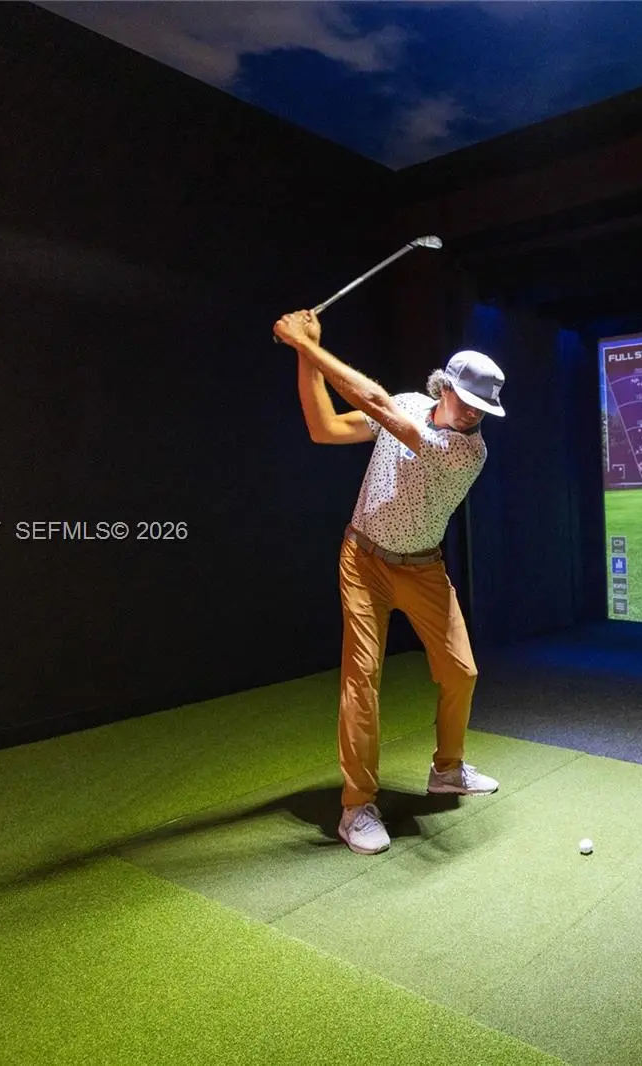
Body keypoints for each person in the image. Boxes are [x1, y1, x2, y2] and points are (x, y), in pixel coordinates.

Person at [272, 309, 505, 855]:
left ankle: (447, 770)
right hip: (363, 561)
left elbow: (376, 403)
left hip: (423, 568)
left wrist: (307, 344)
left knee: (462, 672)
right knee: (361, 681)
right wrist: (306, 355)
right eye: (468, 401)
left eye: (484, 407)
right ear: (445, 387)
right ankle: (356, 806)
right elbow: (325, 428)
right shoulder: (408, 405)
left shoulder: (467, 451)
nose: (475, 413)